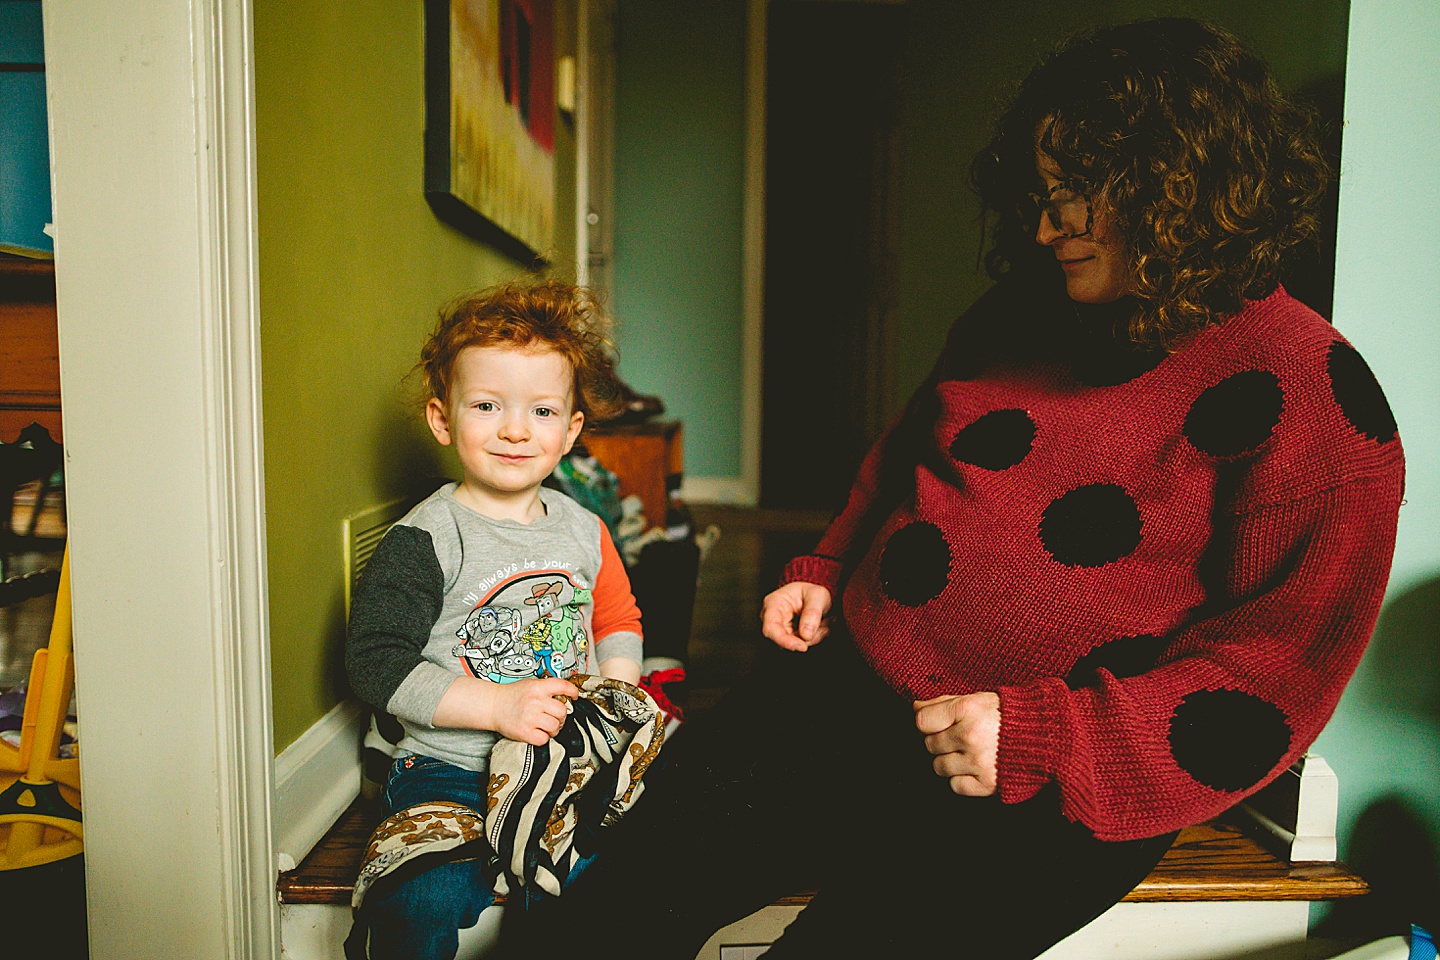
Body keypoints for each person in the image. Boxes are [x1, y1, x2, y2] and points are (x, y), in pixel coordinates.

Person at [497, 18, 1404, 959]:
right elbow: (907, 456)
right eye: (1042, 194)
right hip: (853, 691)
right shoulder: (1017, 314)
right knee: (610, 912)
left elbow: (1273, 672)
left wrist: (1045, 735)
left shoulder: (1311, 395)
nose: (1047, 227)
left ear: (1178, 188)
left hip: (1060, 777)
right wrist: (830, 561)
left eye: (1077, 196)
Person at [345, 280, 645, 960]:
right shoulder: (428, 537)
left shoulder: (584, 530)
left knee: (608, 884)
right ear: (442, 418)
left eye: (541, 411)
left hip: (559, 763)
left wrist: (615, 694)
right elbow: (377, 662)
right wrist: (500, 707)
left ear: (570, 430)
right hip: (444, 766)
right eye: (487, 406)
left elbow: (616, 618)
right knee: (415, 897)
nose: (515, 430)